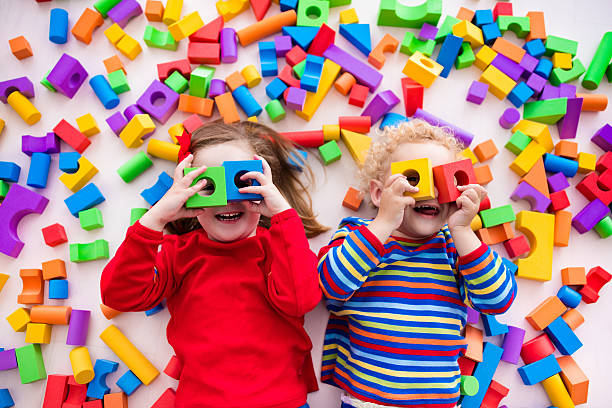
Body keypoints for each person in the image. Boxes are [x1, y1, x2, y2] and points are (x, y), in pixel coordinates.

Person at [101, 121, 328, 408]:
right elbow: (119, 295)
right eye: (209, 186)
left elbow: (300, 300)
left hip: (280, 401)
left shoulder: (280, 246)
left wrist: (282, 214)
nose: (229, 200)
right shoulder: (178, 253)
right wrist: (156, 219)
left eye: (242, 183)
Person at [318, 120, 517, 408]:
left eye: (442, 182)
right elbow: (329, 286)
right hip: (368, 401)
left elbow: (498, 300)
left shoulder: (454, 246)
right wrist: (384, 223)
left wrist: (463, 230)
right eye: (414, 179)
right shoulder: (358, 235)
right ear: (378, 194)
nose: (430, 193)